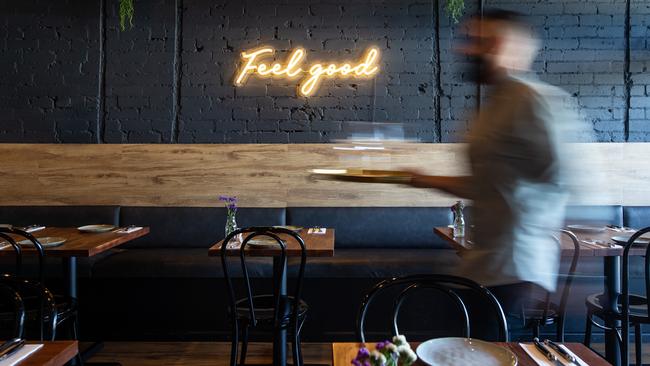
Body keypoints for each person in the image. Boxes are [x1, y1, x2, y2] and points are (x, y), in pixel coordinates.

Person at [407, 10, 585, 317]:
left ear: (504, 45)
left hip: (516, 266)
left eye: (478, 41)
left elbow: (568, 177)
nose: (465, 50)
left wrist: (577, 275)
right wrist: (424, 180)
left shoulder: (531, 100)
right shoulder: (495, 104)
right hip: (486, 263)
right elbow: (488, 183)